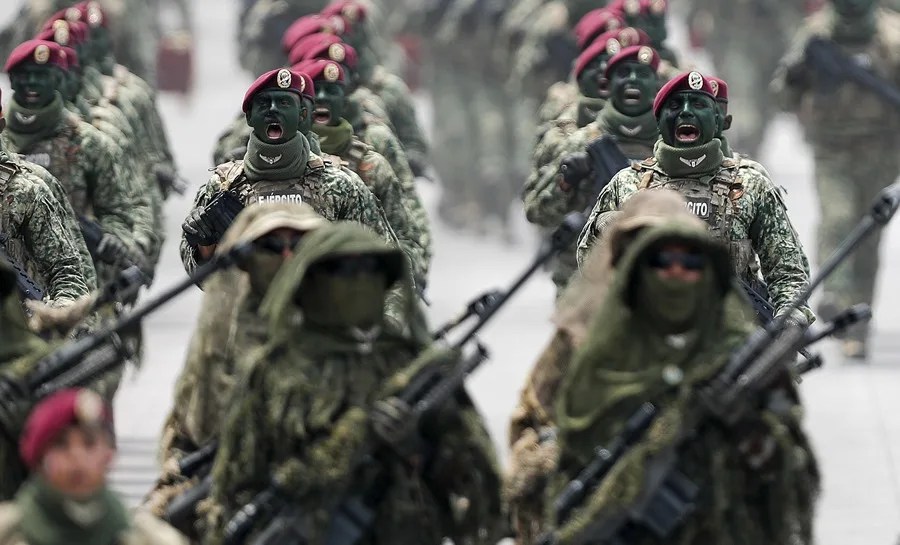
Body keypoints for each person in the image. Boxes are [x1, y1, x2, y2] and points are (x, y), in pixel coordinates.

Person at [201, 223, 503, 545]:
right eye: (341, 268)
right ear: (310, 278)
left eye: (370, 267)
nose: (358, 279)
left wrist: (416, 447)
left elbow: (476, 480)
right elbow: (237, 481)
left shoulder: (409, 364)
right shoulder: (276, 371)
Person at [547, 215, 819, 545]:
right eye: (663, 262)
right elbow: (568, 461)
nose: (676, 273)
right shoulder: (604, 360)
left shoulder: (741, 361)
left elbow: (793, 476)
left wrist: (744, 424)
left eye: (691, 263)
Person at [505, 189, 693, 544]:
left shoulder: (716, 338)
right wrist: (565, 456)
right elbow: (528, 426)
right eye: (642, 250)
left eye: (674, 254)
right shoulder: (578, 337)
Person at [577, 71, 813, 323]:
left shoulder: (750, 184)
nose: (686, 112)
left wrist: (790, 319)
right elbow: (589, 267)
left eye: (698, 104)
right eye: (675, 105)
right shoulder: (628, 183)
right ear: (659, 121)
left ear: (717, 120)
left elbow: (788, 271)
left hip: (733, 337)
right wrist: (610, 228)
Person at [146, 203, 327, 524]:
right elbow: (191, 430)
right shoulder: (220, 333)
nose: (286, 256)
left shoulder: (340, 325)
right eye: (271, 246)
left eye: (298, 245)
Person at [771, 0, 900, 358]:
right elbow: (783, 95)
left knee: (869, 235)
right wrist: (798, 75)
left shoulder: (892, 36)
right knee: (838, 218)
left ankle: (857, 325)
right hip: (832, 151)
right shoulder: (816, 34)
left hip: (882, 151)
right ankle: (839, 298)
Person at [179, 68, 398, 276]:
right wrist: (205, 248)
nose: (273, 109)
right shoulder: (223, 187)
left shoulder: (341, 186)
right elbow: (202, 279)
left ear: (303, 115)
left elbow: (385, 259)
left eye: (284, 103)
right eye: (264, 103)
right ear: (249, 117)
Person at [524, 44, 662, 295]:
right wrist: (565, 183)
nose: (632, 80)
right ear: (608, 85)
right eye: (623, 73)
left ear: (657, 85)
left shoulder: (669, 145)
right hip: (581, 280)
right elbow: (537, 212)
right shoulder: (583, 141)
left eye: (642, 74)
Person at [295, 57, 432, 286]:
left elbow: (404, 228)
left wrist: (410, 277)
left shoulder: (371, 155)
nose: (322, 99)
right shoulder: (275, 159)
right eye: (315, 90)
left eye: (331, 90)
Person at [0, 389, 187, 545]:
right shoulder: (10, 533)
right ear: (40, 460)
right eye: (61, 445)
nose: (77, 458)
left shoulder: (144, 537)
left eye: (89, 444)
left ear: (109, 455)